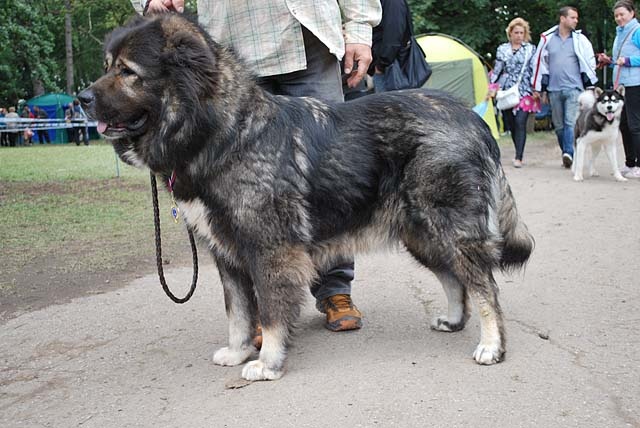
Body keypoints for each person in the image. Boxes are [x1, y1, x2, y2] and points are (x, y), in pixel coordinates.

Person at [135, 0, 381, 332]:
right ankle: (261, 314)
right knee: (236, 200)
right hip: (230, 47)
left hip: (309, 37)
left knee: (329, 181)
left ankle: (335, 291)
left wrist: (360, 30)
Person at [531, 6, 597, 169]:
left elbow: (589, 62)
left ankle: (569, 152)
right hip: (554, 89)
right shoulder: (547, 40)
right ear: (562, 18)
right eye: (573, 17)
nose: (576, 20)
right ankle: (566, 153)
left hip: (574, 88)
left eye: (576, 18)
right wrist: (541, 88)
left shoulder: (580, 40)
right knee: (559, 126)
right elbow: (540, 65)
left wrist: (589, 85)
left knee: (570, 122)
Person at [490, 18, 539, 168]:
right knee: (510, 123)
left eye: (521, 33)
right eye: (516, 32)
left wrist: (536, 88)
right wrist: (492, 87)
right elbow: (497, 69)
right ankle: (517, 149)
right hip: (506, 90)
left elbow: (535, 69)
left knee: (520, 122)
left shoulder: (530, 49)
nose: (519, 35)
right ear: (510, 33)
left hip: (525, 89)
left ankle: (519, 156)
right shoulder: (502, 49)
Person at [601, 0, 640, 178]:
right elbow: (619, 60)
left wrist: (629, 61)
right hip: (621, 85)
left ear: (632, 13)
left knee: (635, 125)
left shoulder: (637, 31)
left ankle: (639, 165)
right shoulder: (619, 33)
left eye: (622, 14)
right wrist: (608, 61)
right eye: (616, 15)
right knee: (623, 124)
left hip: (635, 84)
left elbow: (629, 59)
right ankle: (630, 163)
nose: (618, 18)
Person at [369, 0, 410, 93]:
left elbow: (394, 35)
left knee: (388, 106)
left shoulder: (392, 2)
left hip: (391, 68)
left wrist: (381, 65)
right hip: (387, 65)